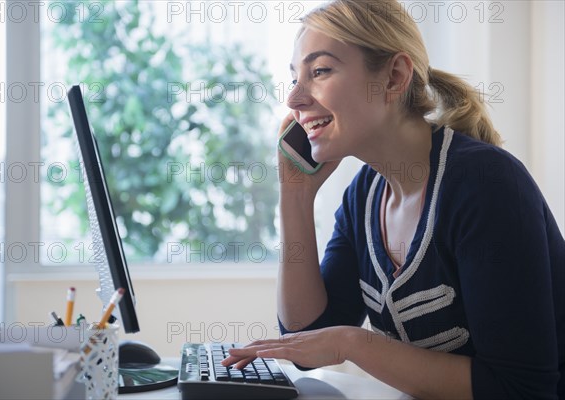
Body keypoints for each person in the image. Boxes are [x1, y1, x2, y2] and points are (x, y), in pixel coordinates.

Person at [221, 0, 565, 398]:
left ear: (394, 77)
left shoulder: (485, 185)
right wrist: (295, 197)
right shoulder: (363, 196)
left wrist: (353, 343)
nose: (295, 99)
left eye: (319, 71)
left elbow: (521, 389)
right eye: (294, 77)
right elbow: (307, 343)